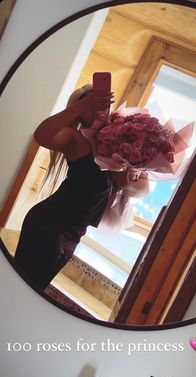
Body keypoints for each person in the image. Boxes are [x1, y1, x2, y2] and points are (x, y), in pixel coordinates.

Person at [14, 84, 150, 291]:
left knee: (29, 289)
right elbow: (41, 135)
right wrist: (80, 106)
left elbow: (141, 189)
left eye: (101, 100)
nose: (96, 106)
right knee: (22, 289)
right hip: (49, 226)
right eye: (89, 101)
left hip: (72, 236)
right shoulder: (76, 139)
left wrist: (125, 169)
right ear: (79, 109)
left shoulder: (121, 142)